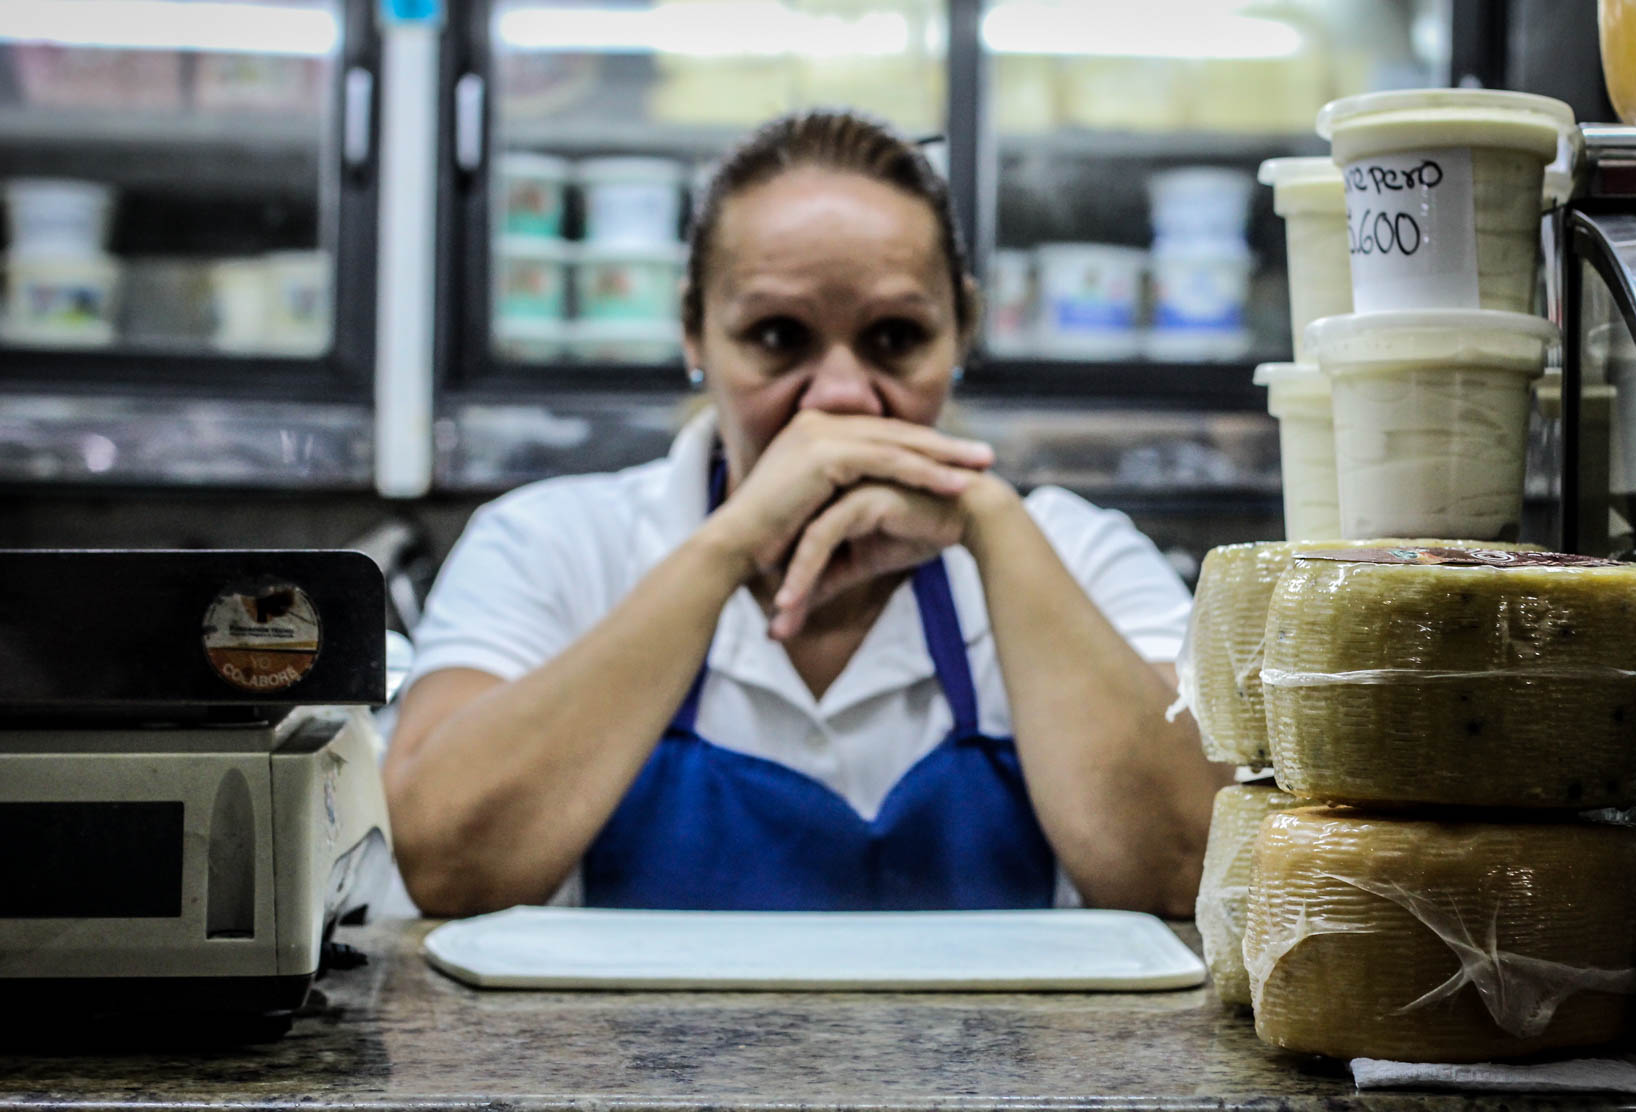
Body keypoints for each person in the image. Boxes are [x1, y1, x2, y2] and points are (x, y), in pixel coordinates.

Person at [384, 110, 1229, 919]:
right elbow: (446, 863)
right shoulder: (553, 545)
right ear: (693, 332)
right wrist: (724, 549)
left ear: (963, 331)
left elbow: (1186, 870)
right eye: (779, 336)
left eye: (896, 337)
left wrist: (993, 531)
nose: (840, 394)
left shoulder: (1078, 553)